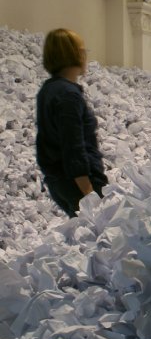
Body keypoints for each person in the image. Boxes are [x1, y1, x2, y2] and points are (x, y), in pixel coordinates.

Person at [36, 28, 107, 217]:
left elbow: (44, 140)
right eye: (83, 51)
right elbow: (73, 147)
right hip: (79, 185)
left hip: (59, 182)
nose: (85, 56)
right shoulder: (68, 95)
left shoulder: (48, 90)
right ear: (74, 54)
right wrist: (89, 193)